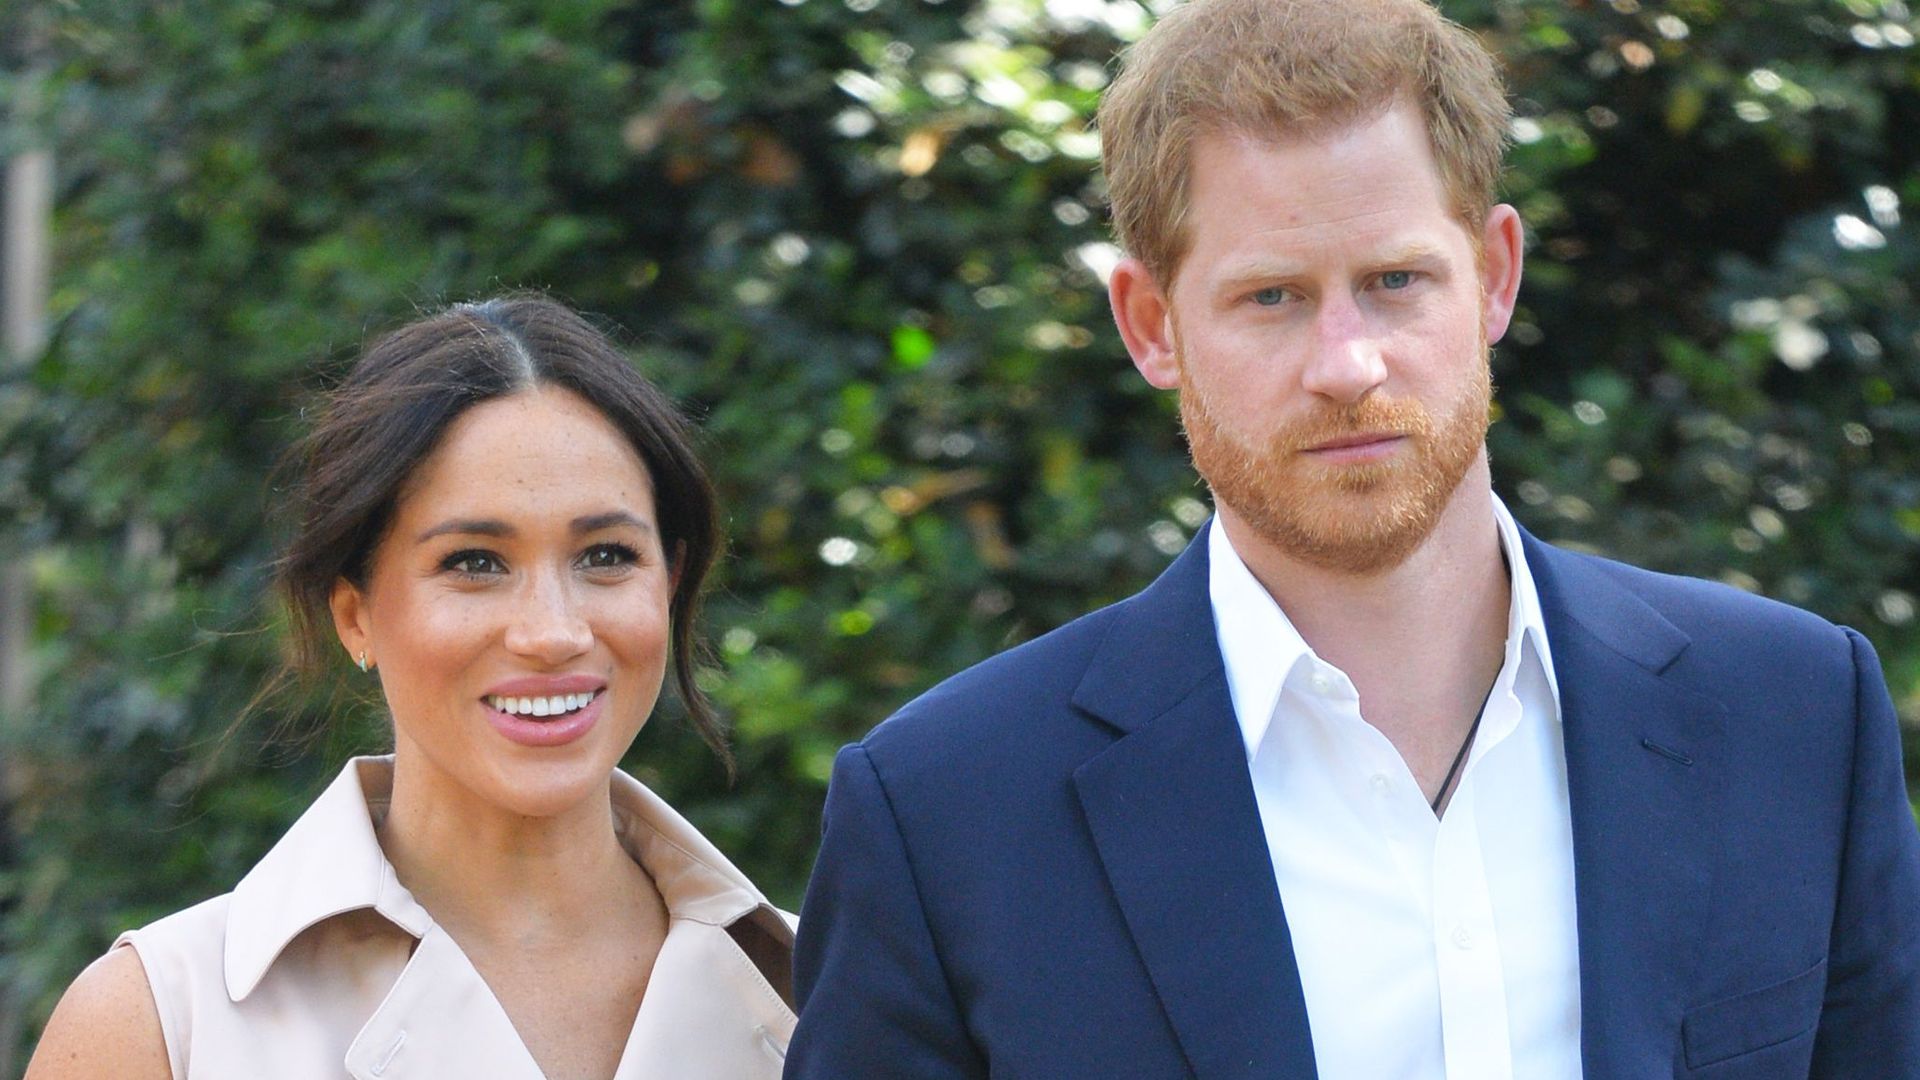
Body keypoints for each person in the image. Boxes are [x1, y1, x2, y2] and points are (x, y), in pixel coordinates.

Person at [784, 0, 1920, 1076]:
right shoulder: (944, 813)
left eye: (1394, 281)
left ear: (1493, 278)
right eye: (1272, 297)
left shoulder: (1795, 711)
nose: (1347, 365)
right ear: (1149, 325)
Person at [27, 296, 795, 1079]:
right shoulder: (161, 1021)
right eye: (474, 562)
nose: (553, 632)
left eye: (605, 555)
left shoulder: (828, 996)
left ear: (669, 581)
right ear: (355, 615)